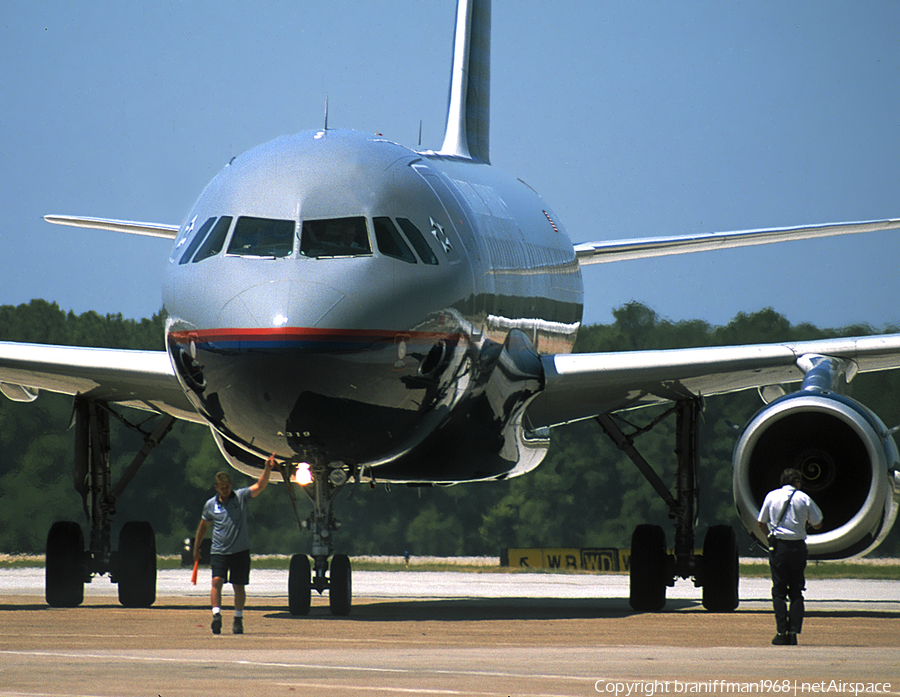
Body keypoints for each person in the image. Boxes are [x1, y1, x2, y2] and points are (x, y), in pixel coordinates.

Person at [194, 454, 275, 634]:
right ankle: (216, 615)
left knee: (238, 585)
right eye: (221, 488)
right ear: (216, 488)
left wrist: (267, 469)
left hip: (240, 551)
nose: (225, 490)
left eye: (227, 487)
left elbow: (259, 486)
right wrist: (197, 547)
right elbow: (203, 526)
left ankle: (238, 618)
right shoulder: (210, 505)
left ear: (231, 486)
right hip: (219, 551)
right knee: (216, 581)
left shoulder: (241, 497)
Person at [757, 467, 823, 645]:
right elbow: (818, 522)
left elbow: (761, 522)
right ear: (797, 482)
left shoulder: (771, 496)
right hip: (798, 547)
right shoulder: (804, 498)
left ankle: (780, 632)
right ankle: (793, 632)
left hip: (778, 546)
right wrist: (804, 524)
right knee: (796, 591)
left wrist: (770, 535)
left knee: (778, 592)